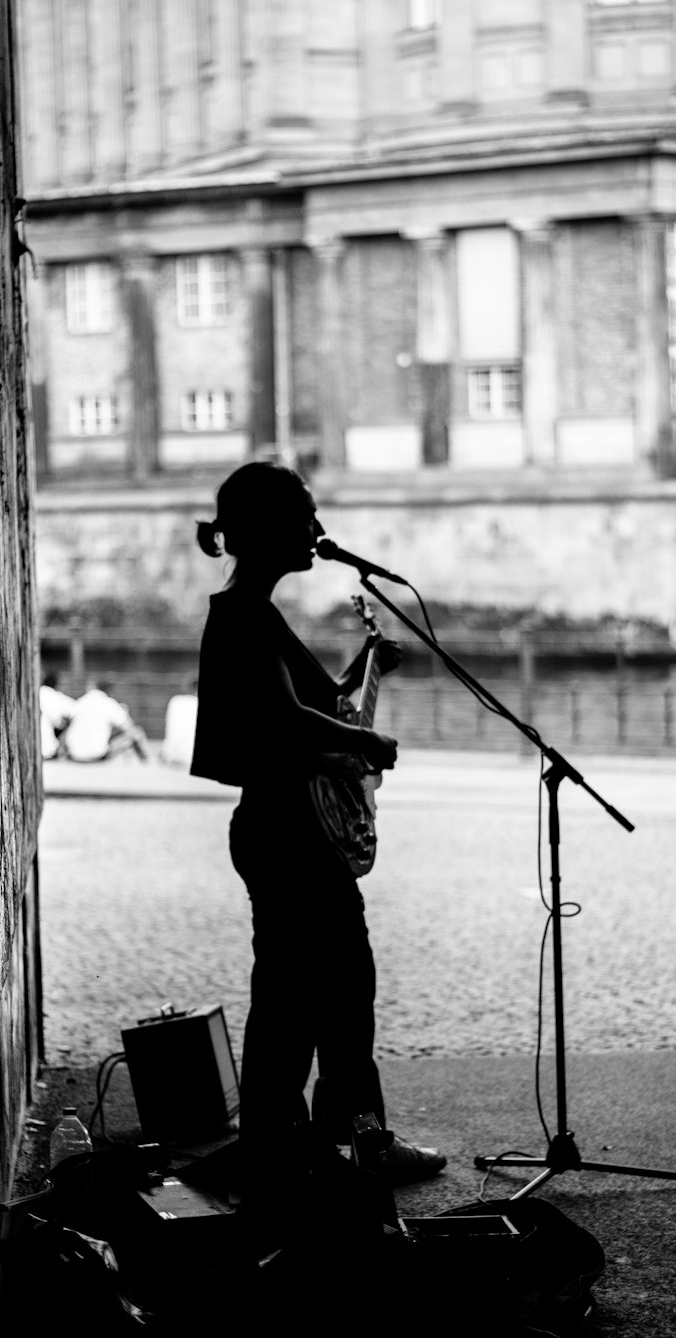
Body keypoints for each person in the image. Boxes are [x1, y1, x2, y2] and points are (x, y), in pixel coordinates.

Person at [190, 461, 446, 1188]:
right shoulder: (241, 614)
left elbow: (314, 706)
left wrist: (366, 665)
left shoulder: (255, 614)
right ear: (269, 528)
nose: (316, 531)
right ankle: (282, 1142)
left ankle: (349, 1135)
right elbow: (282, 720)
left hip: (297, 830)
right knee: (295, 1001)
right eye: (304, 517)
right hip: (285, 832)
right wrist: (366, 743)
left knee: (338, 990)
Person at [60, 681, 151, 763]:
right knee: (137, 732)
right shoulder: (109, 703)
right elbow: (129, 727)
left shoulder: (80, 701)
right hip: (96, 754)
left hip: (74, 754)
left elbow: (67, 722)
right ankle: (146, 763)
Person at [39, 674, 76, 761]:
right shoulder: (53, 696)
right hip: (48, 751)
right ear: (57, 685)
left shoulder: (35, 693)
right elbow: (76, 710)